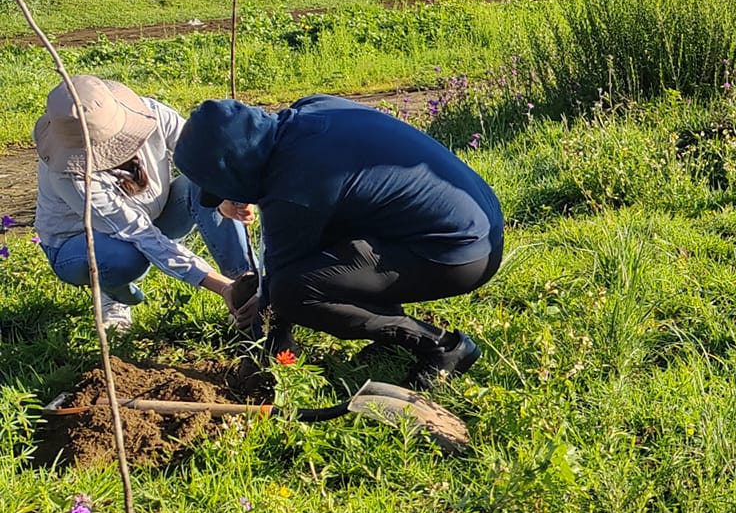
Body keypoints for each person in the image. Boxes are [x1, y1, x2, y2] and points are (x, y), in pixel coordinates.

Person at [173, 95, 503, 386]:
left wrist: (267, 351)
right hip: (477, 219)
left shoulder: (294, 185)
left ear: (235, 167)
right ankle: (388, 335)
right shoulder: (311, 109)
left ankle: (443, 348)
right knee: (324, 241)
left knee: (294, 292)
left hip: (458, 254)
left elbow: (280, 288)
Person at [33, 76, 254, 330]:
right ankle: (113, 296)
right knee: (123, 259)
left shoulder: (153, 114)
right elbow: (138, 233)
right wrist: (220, 286)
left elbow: (201, 157)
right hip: (80, 246)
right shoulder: (69, 174)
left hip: (151, 216)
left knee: (206, 182)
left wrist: (224, 196)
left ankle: (247, 286)